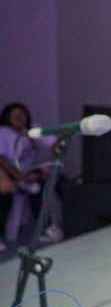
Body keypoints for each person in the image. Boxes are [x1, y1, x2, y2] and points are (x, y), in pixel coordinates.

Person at [0, 102, 60, 249]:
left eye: (22, 115)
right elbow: (2, 159)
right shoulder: (4, 133)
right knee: (5, 194)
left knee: (45, 187)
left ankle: (49, 228)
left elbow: (56, 143)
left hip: (28, 172)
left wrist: (51, 167)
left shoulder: (32, 129)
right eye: (14, 116)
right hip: (7, 172)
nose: (19, 118)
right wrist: (19, 176)